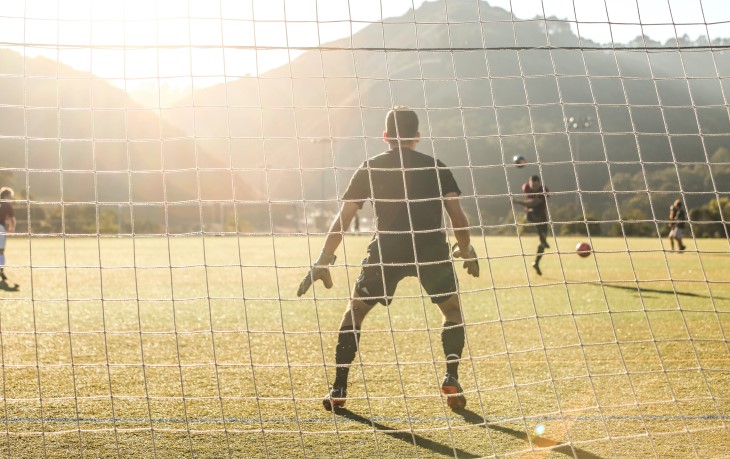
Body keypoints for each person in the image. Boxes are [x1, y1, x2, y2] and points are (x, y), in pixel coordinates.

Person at [296, 107, 479, 412]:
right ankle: (451, 376)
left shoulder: (370, 167)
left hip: (387, 250)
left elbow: (343, 219)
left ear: (385, 137)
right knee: (451, 311)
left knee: (354, 313)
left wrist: (324, 259)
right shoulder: (436, 167)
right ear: (417, 137)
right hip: (430, 248)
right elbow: (457, 217)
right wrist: (467, 249)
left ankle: (339, 388)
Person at [513, 175, 550, 276]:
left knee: (543, 243)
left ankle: (536, 263)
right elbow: (530, 204)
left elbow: (534, 203)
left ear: (539, 184)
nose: (534, 187)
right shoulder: (526, 187)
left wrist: (519, 202)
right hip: (531, 215)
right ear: (529, 183)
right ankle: (542, 239)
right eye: (532, 185)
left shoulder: (544, 190)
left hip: (541, 216)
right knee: (533, 212)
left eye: (536, 186)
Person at [0, 187, 16, 283]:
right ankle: (1, 269)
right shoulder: (7, 205)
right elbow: (12, 218)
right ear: (6, 196)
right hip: (0, 228)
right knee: (1, 251)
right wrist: (12, 227)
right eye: (10, 196)